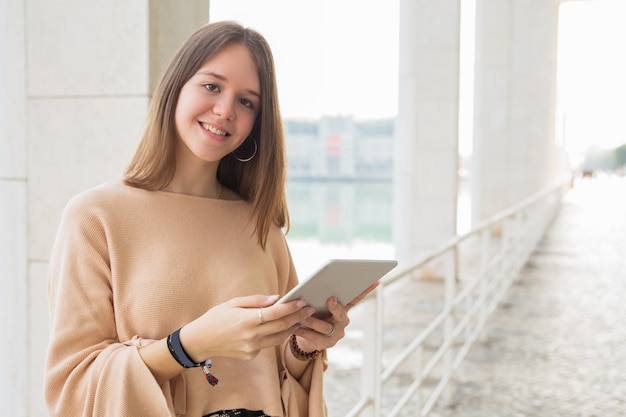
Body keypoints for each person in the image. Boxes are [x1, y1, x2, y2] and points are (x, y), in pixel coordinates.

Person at [44, 20, 377, 417]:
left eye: (247, 101)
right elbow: (74, 386)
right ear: (176, 87)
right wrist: (188, 345)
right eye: (212, 86)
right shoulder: (95, 217)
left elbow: (276, 374)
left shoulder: (260, 227)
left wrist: (305, 346)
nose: (225, 110)